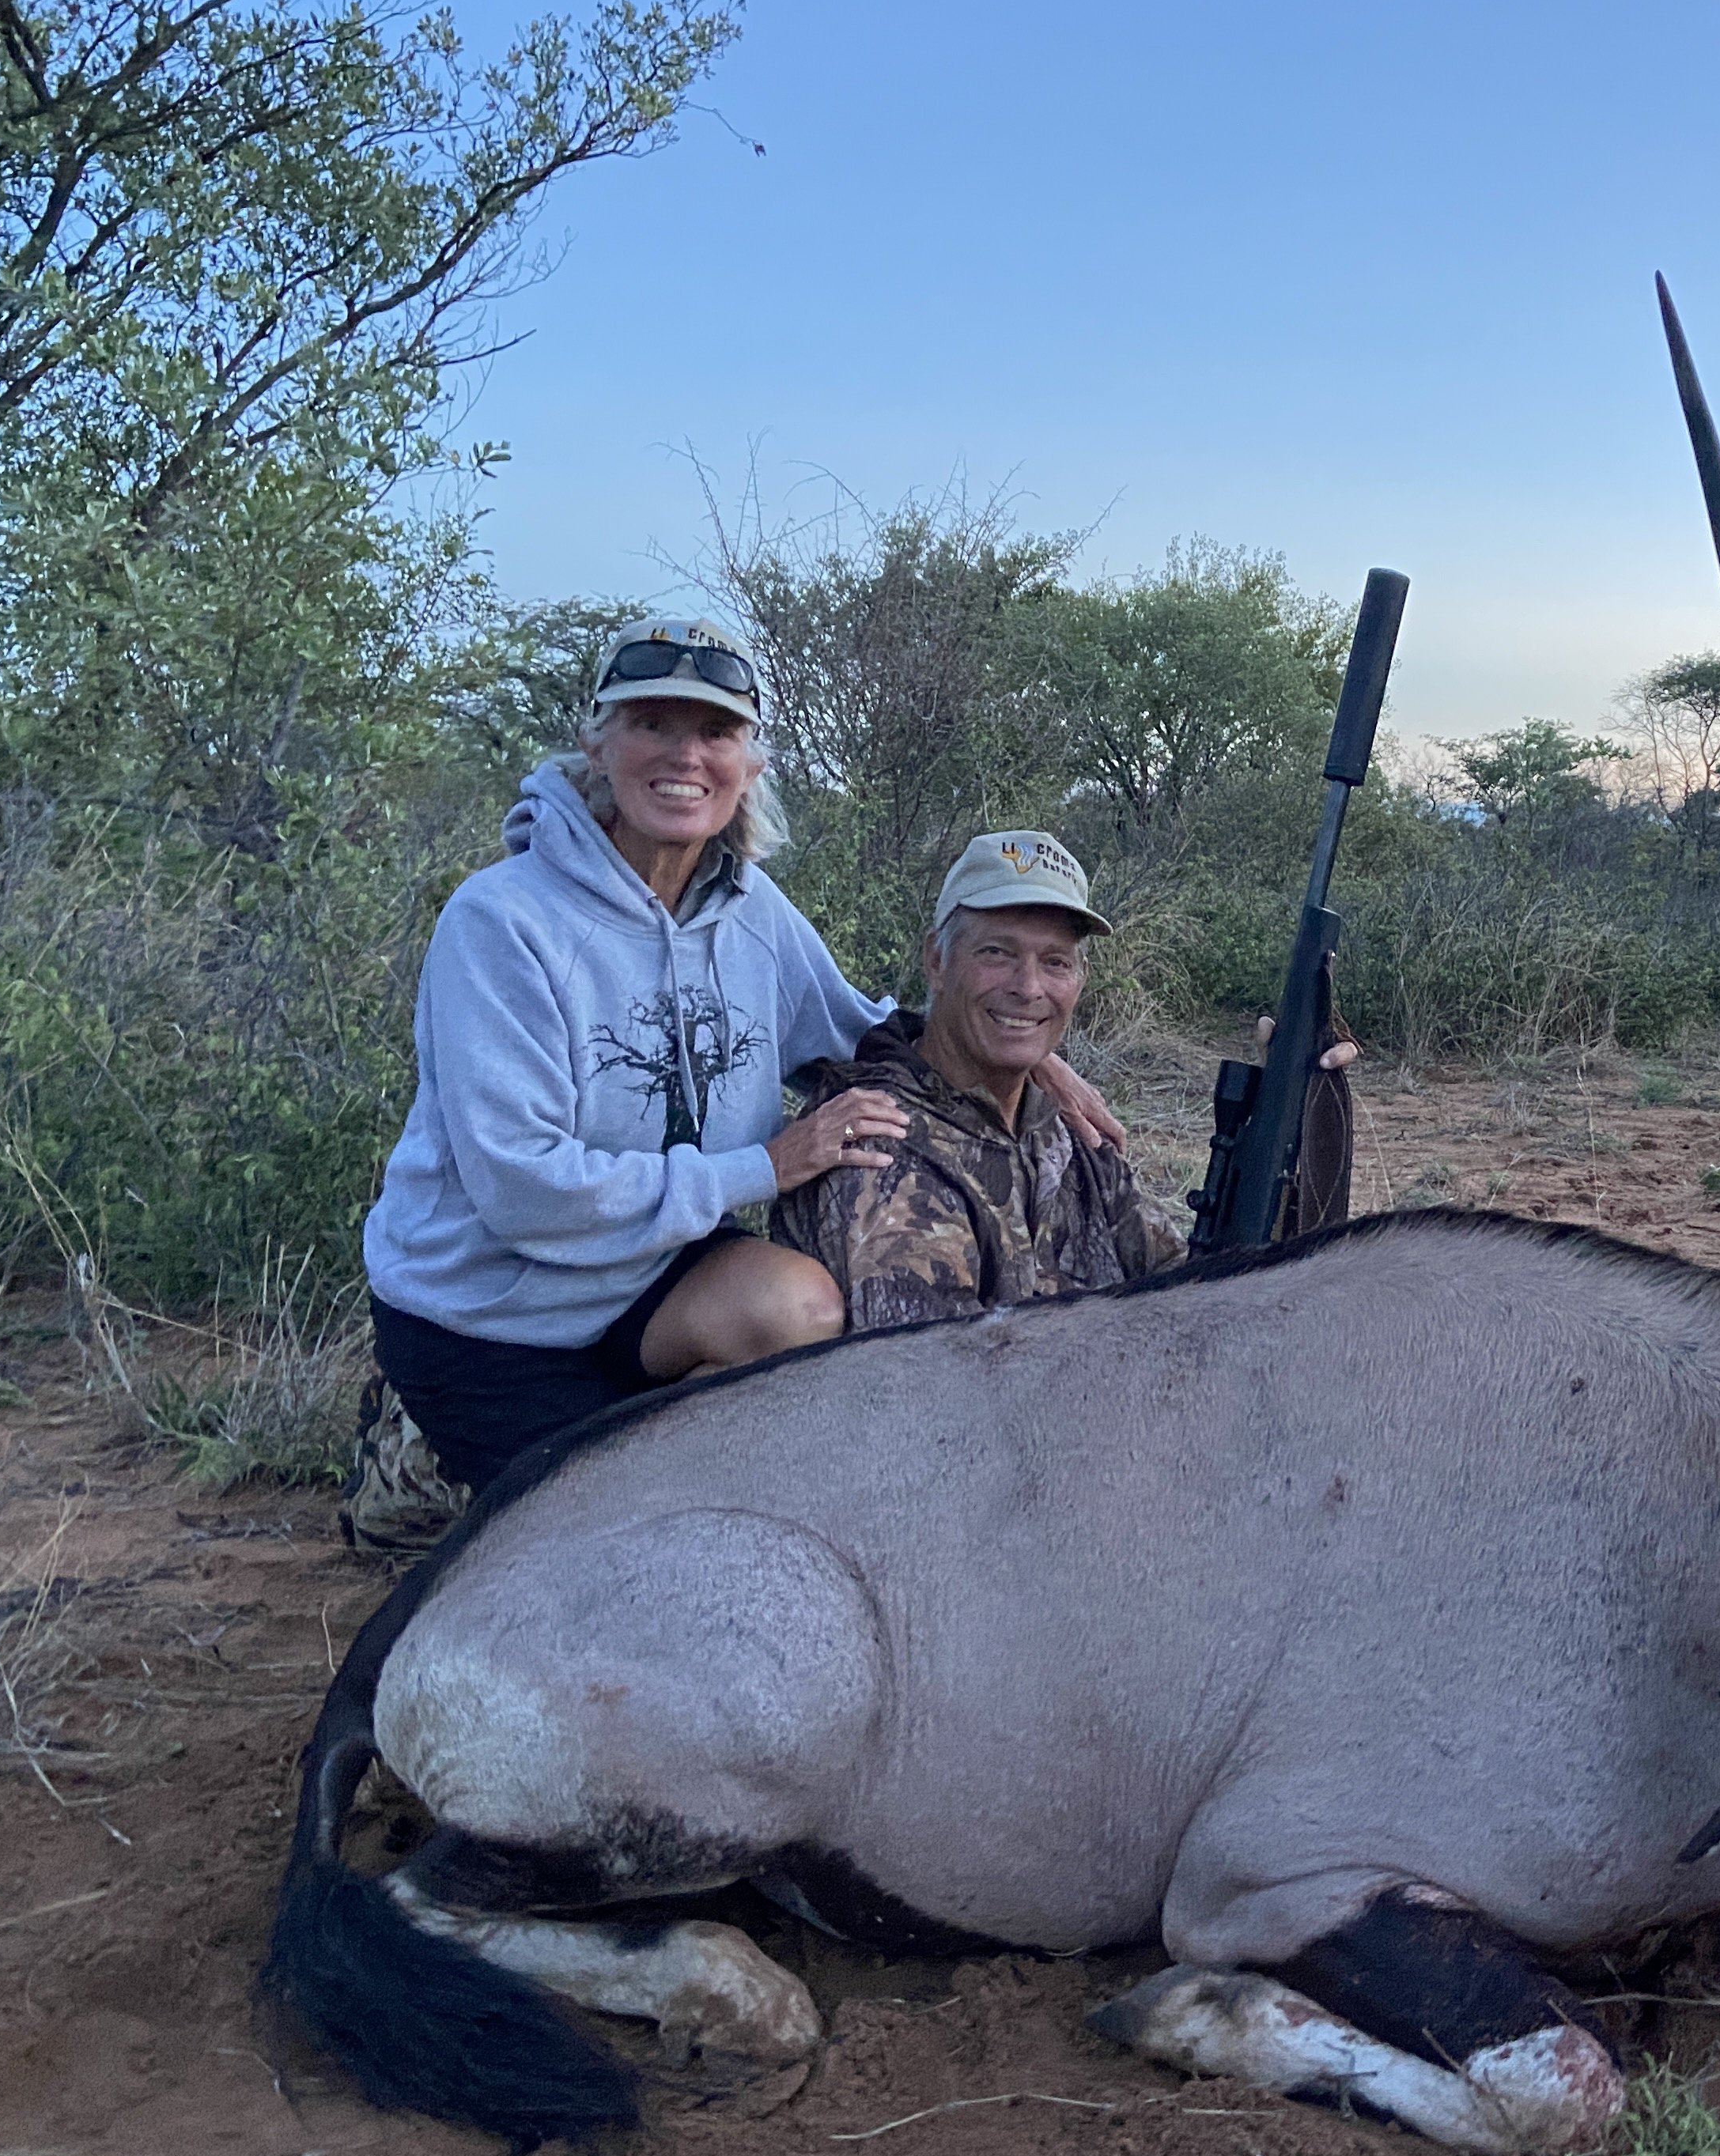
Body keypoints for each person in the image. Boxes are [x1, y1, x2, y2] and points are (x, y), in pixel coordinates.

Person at [360, 618, 1121, 1502]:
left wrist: (1027, 1061)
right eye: (653, 724)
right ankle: (416, 1459)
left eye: (717, 731)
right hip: (493, 1316)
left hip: (650, 1279)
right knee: (601, 1568)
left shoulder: (749, 907)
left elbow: (863, 1030)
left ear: (749, 763)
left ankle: (628, 1459)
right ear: (597, 744)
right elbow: (523, 1191)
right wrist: (762, 1167)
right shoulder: (500, 923)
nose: (686, 755)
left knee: (795, 1318)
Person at [776, 829, 1349, 1331]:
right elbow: (946, 1394)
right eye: (997, 953)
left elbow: (1186, 1283)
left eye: (1055, 962)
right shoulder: (878, 1140)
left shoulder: (1063, 1128)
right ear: (936, 961)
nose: (1028, 988)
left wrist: (1300, 1121)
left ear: (1079, 978)